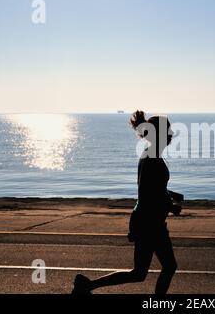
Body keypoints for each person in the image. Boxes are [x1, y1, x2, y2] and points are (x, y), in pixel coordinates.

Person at [72, 110, 178, 294]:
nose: (171, 134)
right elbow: (148, 193)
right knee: (162, 268)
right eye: (168, 130)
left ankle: (87, 286)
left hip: (149, 221)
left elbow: (154, 188)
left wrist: (170, 195)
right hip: (149, 222)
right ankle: (87, 286)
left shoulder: (151, 155)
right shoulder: (152, 158)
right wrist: (170, 205)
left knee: (144, 272)